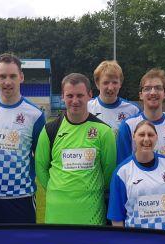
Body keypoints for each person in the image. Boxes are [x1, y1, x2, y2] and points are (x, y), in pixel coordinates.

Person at [35, 73, 116, 225]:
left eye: (80, 95)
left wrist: (89, 190)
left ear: (90, 95)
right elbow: (40, 167)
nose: (75, 101)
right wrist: (57, 189)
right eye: (70, 95)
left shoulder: (104, 132)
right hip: (57, 211)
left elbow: (109, 172)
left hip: (91, 212)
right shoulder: (50, 130)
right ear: (62, 97)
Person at [0, 53, 45, 224]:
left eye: (13, 76)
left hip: (21, 198)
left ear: (21, 77)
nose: (7, 82)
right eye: (2, 76)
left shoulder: (35, 115)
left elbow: (40, 156)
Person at [108, 120, 165, 232]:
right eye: (141, 134)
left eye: (150, 135)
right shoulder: (122, 172)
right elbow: (117, 217)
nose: (146, 139)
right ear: (134, 137)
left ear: (156, 137)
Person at [117, 68, 165, 164]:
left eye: (158, 88)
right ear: (140, 95)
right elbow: (123, 166)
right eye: (147, 88)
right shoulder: (128, 126)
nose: (153, 92)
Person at [87, 60, 140, 136]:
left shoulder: (133, 110)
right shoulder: (87, 108)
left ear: (120, 84)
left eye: (115, 82)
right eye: (106, 83)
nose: (111, 88)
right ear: (97, 84)